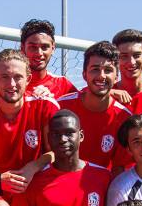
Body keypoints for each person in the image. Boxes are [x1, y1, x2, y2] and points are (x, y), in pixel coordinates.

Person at [0, 49, 59, 195]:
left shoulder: (45, 106)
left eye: (18, 77)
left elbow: (57, 153)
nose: (12, 84)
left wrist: (33, 167)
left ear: (28, 79)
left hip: (38, 192)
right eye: (5, 77)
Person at [57, 42, 133, 172]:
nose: (101, 76)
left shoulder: (124, 118)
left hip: (101, 187)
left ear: (116, 77)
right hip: (61, 181)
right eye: (95, 69)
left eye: (108, 70)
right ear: (84, 75)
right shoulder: (61, 107)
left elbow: (120, 168)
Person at [19, 19, 77, 99]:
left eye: (44, 47)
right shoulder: (6, 82)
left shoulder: (63, 85)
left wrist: (51, 104)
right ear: (22, 48)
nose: (39, 53)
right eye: (33, 47)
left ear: (53, 48)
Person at [112, 29, 142, 115]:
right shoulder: (106, 95)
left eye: (136, 55)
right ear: (115, 60)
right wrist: (109, 92)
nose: (131, 62)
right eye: (124, 56)